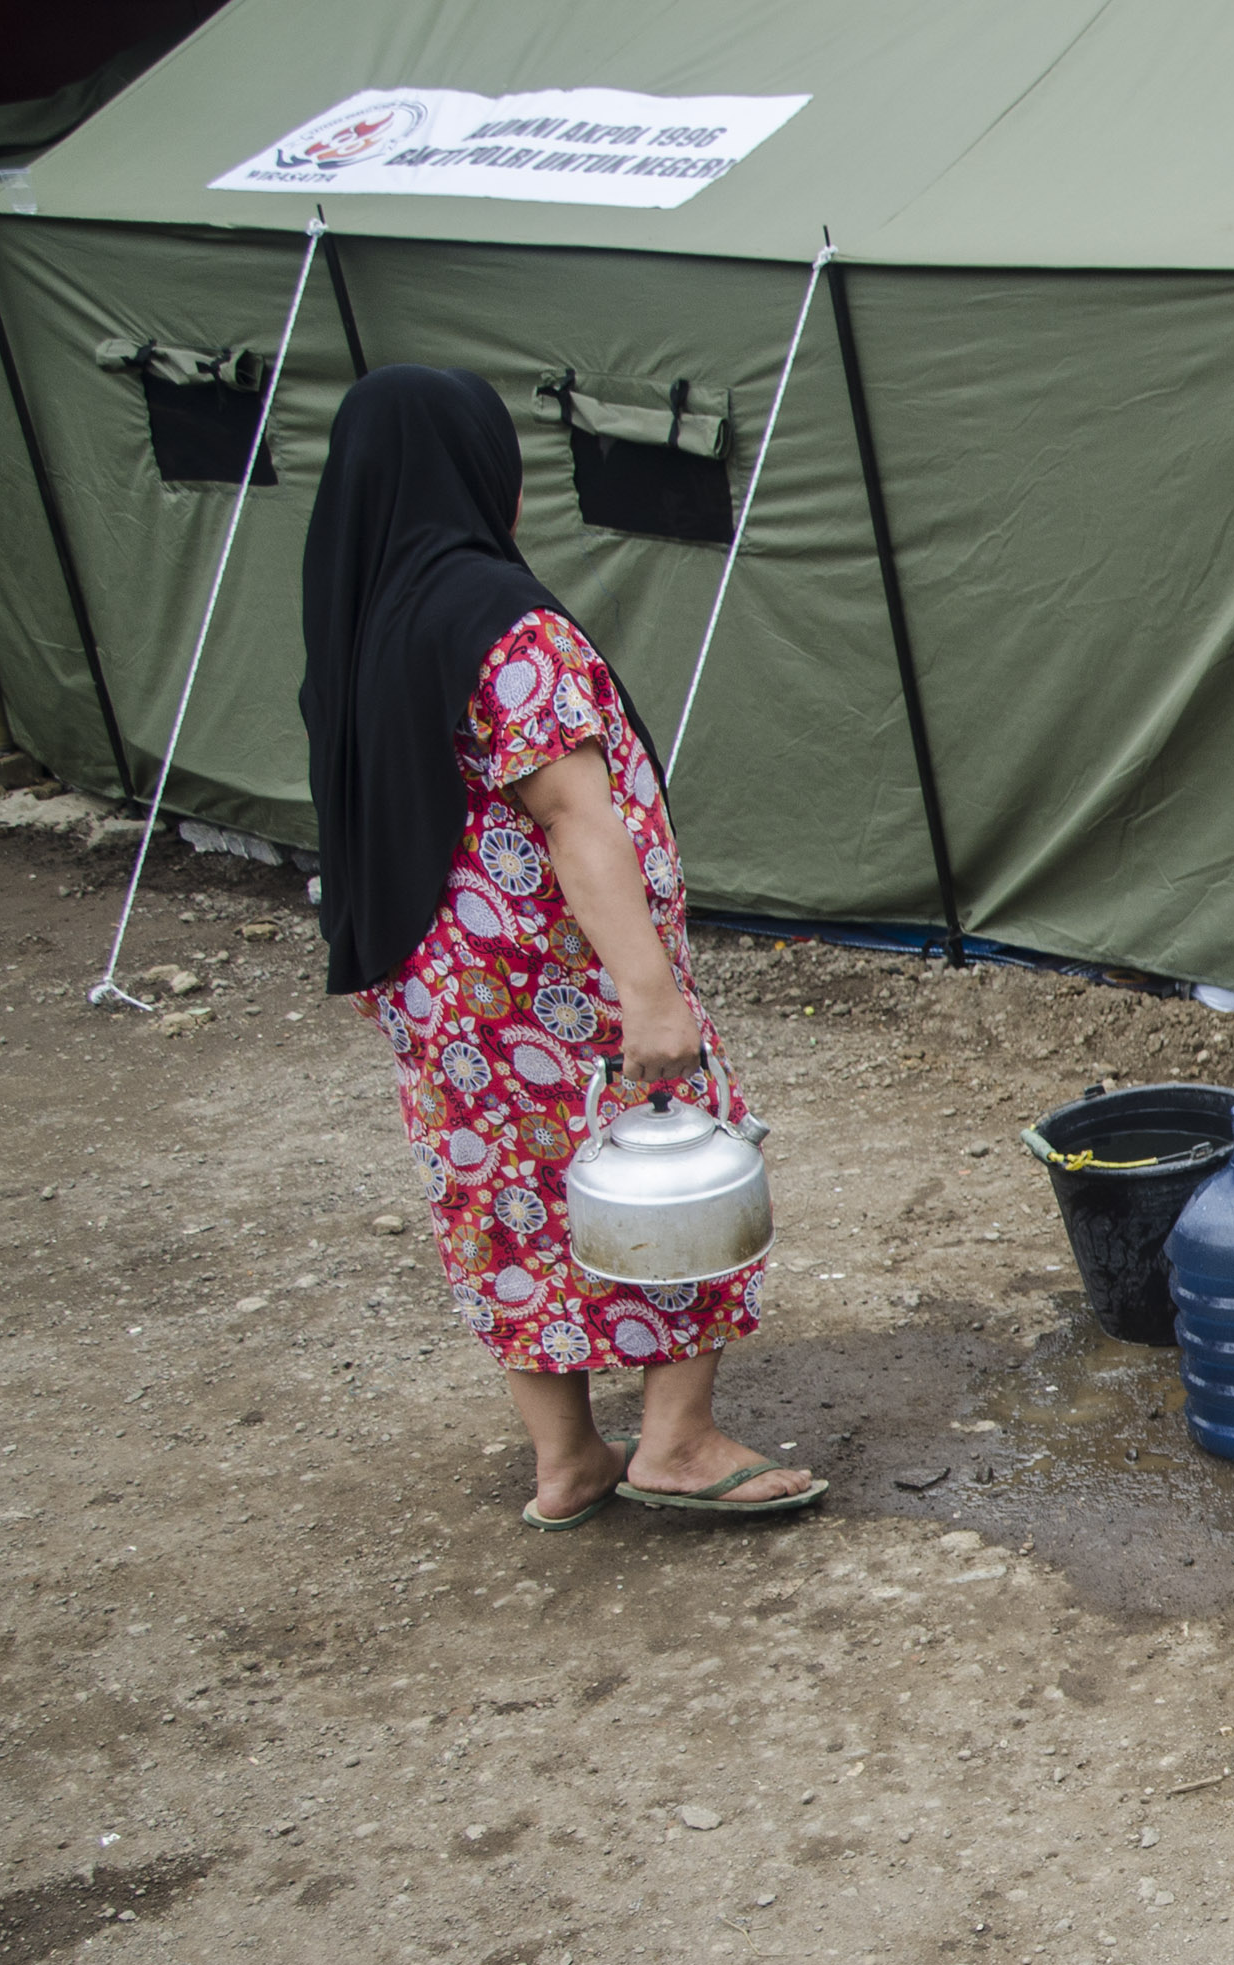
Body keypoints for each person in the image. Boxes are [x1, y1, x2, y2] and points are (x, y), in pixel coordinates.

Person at [302, 365, 822, 1529]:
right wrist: (652, 997)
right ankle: (678, 1444)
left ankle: (568, 1460)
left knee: (505, 1209)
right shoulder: (501, 624)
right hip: (560, 989)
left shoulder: (360, 624)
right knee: (684, 1173)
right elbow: (573, 812)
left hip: (444, 1000)